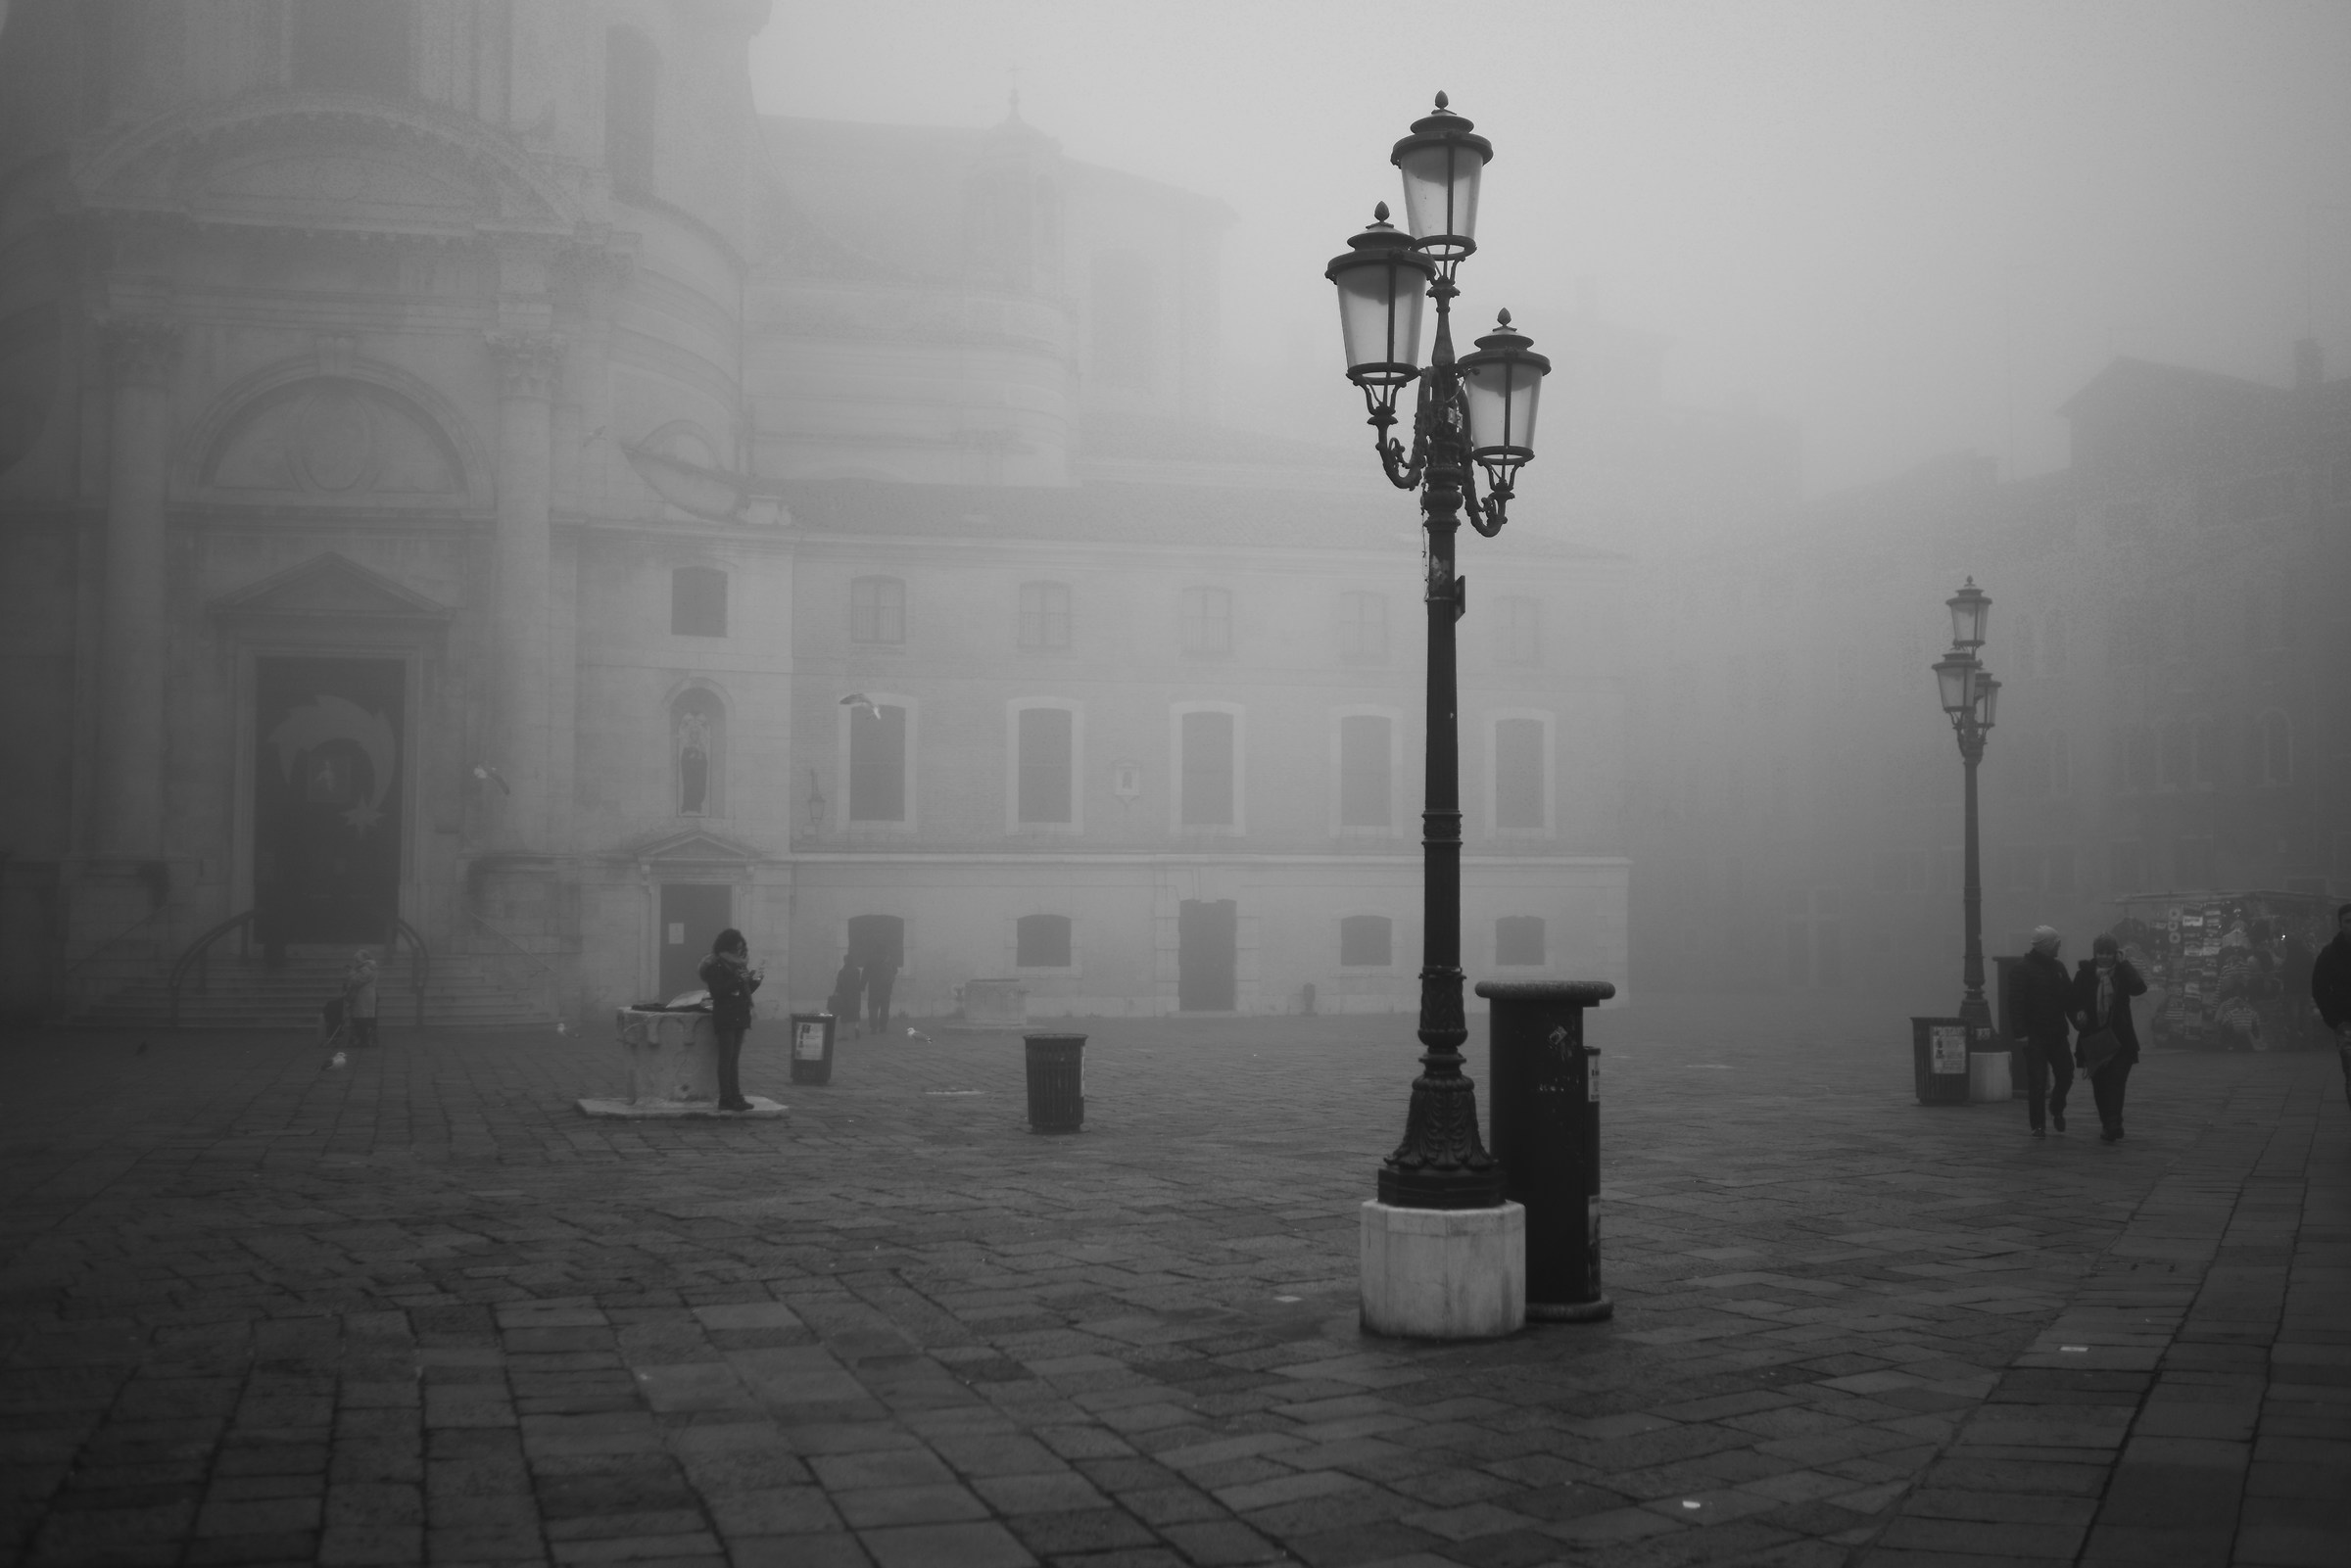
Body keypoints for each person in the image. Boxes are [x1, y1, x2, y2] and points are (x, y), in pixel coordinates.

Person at [2072, 933, 2148, 1143]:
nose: (2104, 957)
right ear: (2095, 954)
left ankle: (2114, 1123)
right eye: (2100, 953)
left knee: (2116, 1081)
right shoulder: (2084, 975)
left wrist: (2125, 966)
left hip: (2121, 1037)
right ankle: (2107, 1122)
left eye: (2109, 953)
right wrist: (2079, 1014)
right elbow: (2073, 1001)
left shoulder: (2122, 973)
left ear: (2115, 954)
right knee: (2100, 1084)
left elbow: (2139, 988)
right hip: (2094, 1037)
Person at [2012, 926, 2075, 1138]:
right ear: (2048, 945)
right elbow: (2016, 1003)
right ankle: (2038, 1125)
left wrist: (2080, 1022)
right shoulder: (2022, 970)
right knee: (2037, 1081)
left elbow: (2069, 999)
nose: (2060, 946)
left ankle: (2057, 1107)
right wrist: (2021, 1033)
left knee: (2066, 1074)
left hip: (2057, 1033)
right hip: (2034, 1035)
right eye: (2057, 943)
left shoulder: (2059, 968)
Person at [696, 927, 761, 1113]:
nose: (739, 952)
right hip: (725, 1015)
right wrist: (737, 980)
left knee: (734, 1059)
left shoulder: (739, 965)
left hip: (740, 1013)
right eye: (736, 948)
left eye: (741, 948)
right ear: (727, 947)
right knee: (726, 1059)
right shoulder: (715, 966)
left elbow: (744, 990)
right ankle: (726, 1097)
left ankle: (736, 1096)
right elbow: (717, 992)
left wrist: (754, 981)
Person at [2313, 904, 2351, 1110]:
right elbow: (2319, 988)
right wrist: (2334, 1020)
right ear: (2340, 924)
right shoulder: (2330, 954)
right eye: (2348, 921)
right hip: (2346, 1023)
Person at [343, 949, 379, 1048]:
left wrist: (351, 973)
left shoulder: (366, 968)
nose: (356, 963)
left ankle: (364, 1041)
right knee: (365, 1017)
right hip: (366, 995)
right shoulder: (370, 967)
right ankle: (366, 1039)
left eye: (358, 960)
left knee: (361, 1018)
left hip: (363, 996)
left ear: (364, 959)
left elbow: (357, 980)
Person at [864, 948, 899, 1038]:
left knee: (873, 1009)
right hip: (886, 989)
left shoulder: (870, 961)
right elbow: (895, 971)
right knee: (884, 1009)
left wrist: (862, 986)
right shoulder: (889, 960)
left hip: (873, 989)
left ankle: (873, 1028)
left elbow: (865, 974)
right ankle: (883, 1027)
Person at [829, 951, 864, 1039]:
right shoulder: (856, 971)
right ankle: (856, 1028)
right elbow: (858, 983)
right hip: (855, 996)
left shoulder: (842, 972)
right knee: (856, 1013)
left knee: (844, 1015)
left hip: (844, 996)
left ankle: (844, 1034)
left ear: (845, 961)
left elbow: (839, 984)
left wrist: (836, 993)